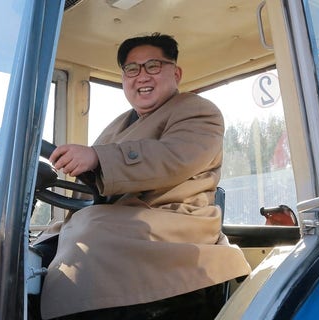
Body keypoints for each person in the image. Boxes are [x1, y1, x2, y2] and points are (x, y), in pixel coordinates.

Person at [38, 32, 251, 319]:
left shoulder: (198, 111)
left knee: (90, 231)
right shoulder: (119, 125)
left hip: (175, 220)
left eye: (153, 66)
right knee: (42, 238)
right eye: (132, 69)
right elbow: (98, 180)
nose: (142, 76)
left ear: (175, 73)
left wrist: (97, 157)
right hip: (124, 220)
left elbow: (172, 159)